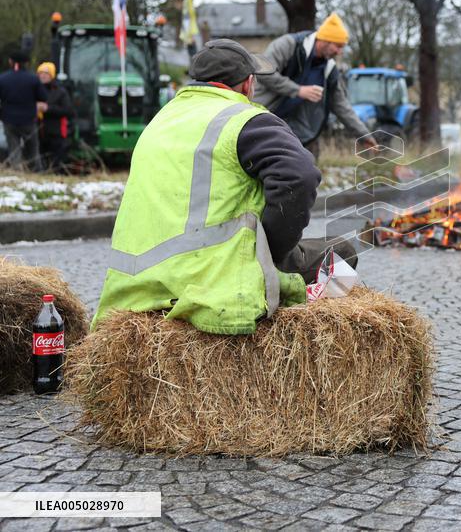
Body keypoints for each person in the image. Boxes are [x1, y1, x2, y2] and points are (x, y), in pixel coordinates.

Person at [94, 39, 357, 335]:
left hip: (134, 290)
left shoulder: (160, 120)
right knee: (341, 252)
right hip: (214, 281)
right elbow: (300, 177)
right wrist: (274, 249)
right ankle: (297, 332)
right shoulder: (244, 120)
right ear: (247, 84)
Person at [252, 13, 375, 159]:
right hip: (262, 121)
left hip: (296, 133)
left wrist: (363, 134)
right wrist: (298, 90)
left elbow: (341, 105)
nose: (339, 52)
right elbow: (264, 72)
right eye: (338, 46)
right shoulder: (287, 45)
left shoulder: (329, 69)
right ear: (324, 40)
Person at [0, 51, 48, 171]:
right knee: (32, 147)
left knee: (13, 148)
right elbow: (43, 97)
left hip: (9, 119)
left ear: (11, 62)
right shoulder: (33, 79)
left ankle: (16, 170)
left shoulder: (3, 78)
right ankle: (35, 171)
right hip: (28, 120)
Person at [36, 62, 75, 174]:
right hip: (38, 132)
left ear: (52, 75)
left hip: (56, 132)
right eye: (40, 73)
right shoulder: (34, 90)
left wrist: (48, 108)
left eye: (46, 73)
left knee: (57, 162)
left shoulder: (60, 91)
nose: (42, 76)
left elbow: (68, 111)